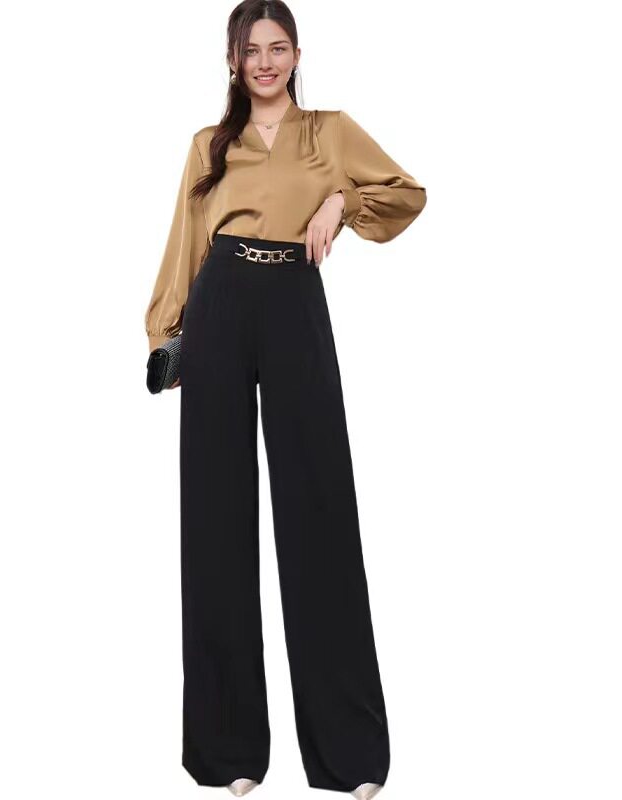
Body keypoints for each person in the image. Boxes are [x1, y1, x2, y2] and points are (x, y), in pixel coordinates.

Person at [143, 2, 426, 798]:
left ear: (297, 54)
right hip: (221, 305)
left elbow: (405, 194)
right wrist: (167, 334)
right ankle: (229, 753)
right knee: (216, 518)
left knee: (319, 508)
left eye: (277, 47)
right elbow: (185, 244)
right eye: (250, 50)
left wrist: (342, 204)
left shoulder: (330, 132)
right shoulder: (209, 144)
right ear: (232, 61)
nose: (264, 61)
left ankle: (349, 757)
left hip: (296, 300)